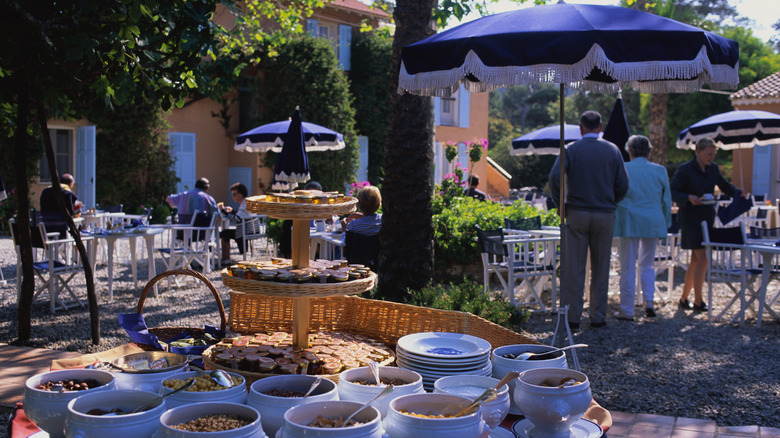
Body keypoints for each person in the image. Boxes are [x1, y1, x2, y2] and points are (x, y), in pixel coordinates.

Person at [549, 110, 629, 330]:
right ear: (601, 127)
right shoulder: (613, 150)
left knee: (574, 267)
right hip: (604, 213)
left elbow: (555, 177)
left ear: (581, 127)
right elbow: (623, 183)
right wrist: (611, 200)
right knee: (601, 267)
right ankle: (598, 316)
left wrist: (560, 204)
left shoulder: (571, 150)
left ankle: (573, 317)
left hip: (577, 212)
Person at [670, 137, 739, 313]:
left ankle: (684, 299)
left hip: (707, 218)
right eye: (709, 154)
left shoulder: (713, 169)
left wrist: (739, 193)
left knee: (695, 261)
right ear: (698, 152)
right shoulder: (685, 170)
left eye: (713, 154)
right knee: (703, 260)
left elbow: (725, 186)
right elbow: (673, 191)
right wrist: (688, 198)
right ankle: (699, 301)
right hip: (691, 220)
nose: (711, 157)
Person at [614, 135, 672, 320]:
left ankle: (627, 309)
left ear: (629, 151)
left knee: (628, 266)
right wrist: (665, 221)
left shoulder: (623, 168)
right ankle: (649, 302)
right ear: (649, 151)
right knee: (647, 264)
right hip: (653, 220)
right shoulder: (660, 170)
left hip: (629, 220)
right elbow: (666, 200)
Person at [342, 185, 382, 268]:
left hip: (357, 265)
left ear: (359, 204)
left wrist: (344, 229)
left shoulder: (354, 225)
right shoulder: (383, 221)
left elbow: (345, 242)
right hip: (378, 263)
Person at [219, 182, 252, 265]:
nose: (232, 196)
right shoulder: (246, 203)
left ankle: (225, 258)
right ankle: (226, 258)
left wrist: (223, 211)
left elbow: (236, 219)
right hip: (248, 229)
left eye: (234, 194)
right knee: (226, 233)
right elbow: (241, 216)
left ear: (241, 194)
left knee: (224, 233)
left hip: (245, 231)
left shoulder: (244, 204)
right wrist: (232, 211)